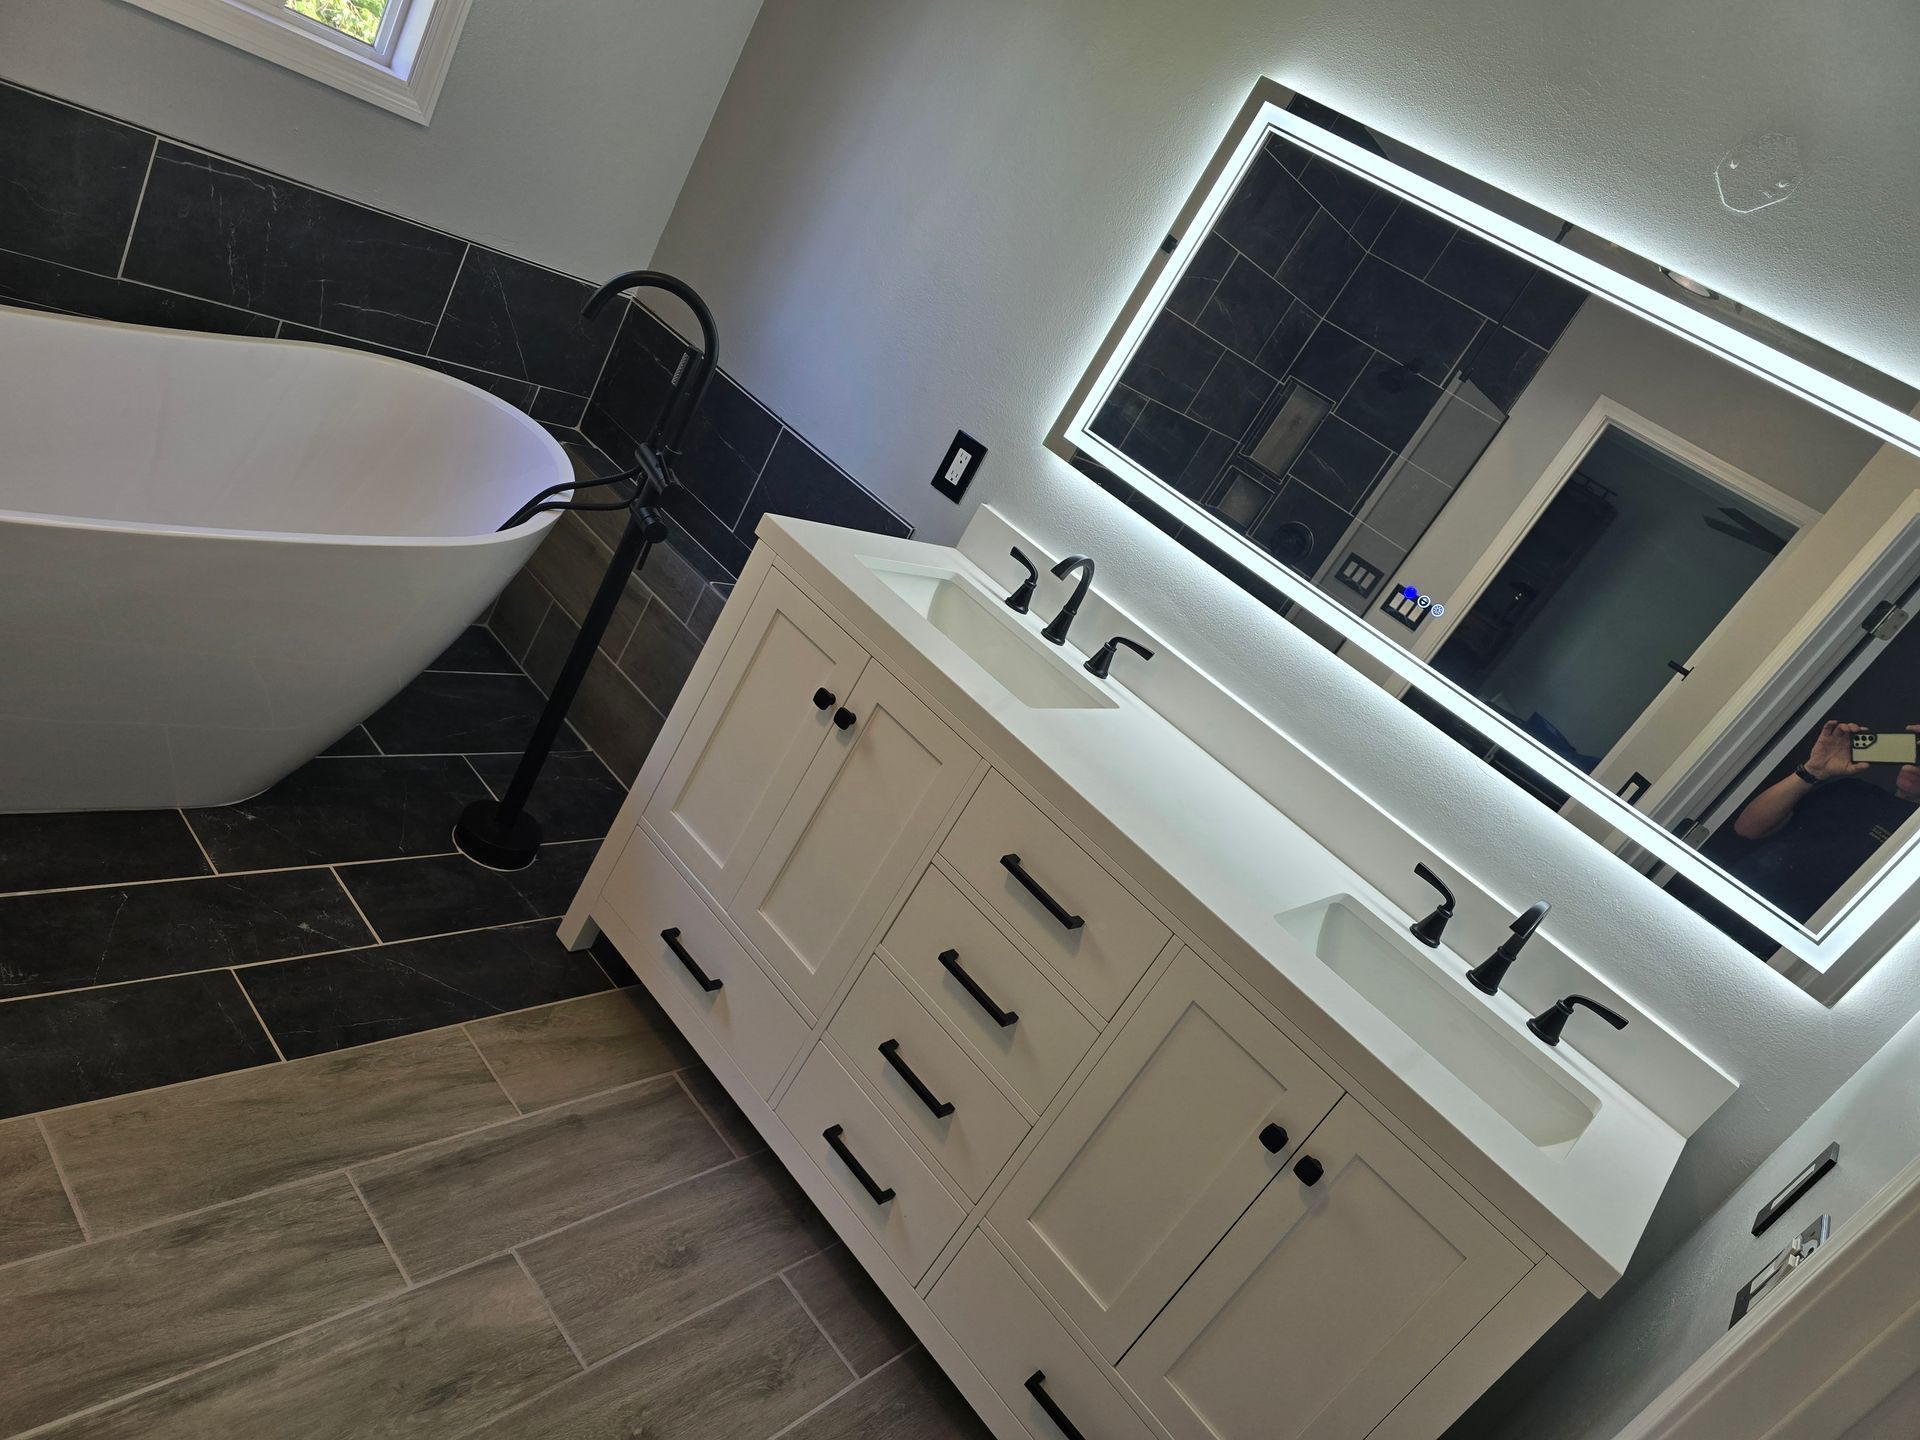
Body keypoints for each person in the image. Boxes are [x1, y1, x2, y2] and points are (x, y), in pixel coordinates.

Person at [1727, 720, 1920, 921]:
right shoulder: (1853, 790)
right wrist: (1812, 771)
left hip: (1792, 940)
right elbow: (1748, 828)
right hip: (1733, 899)